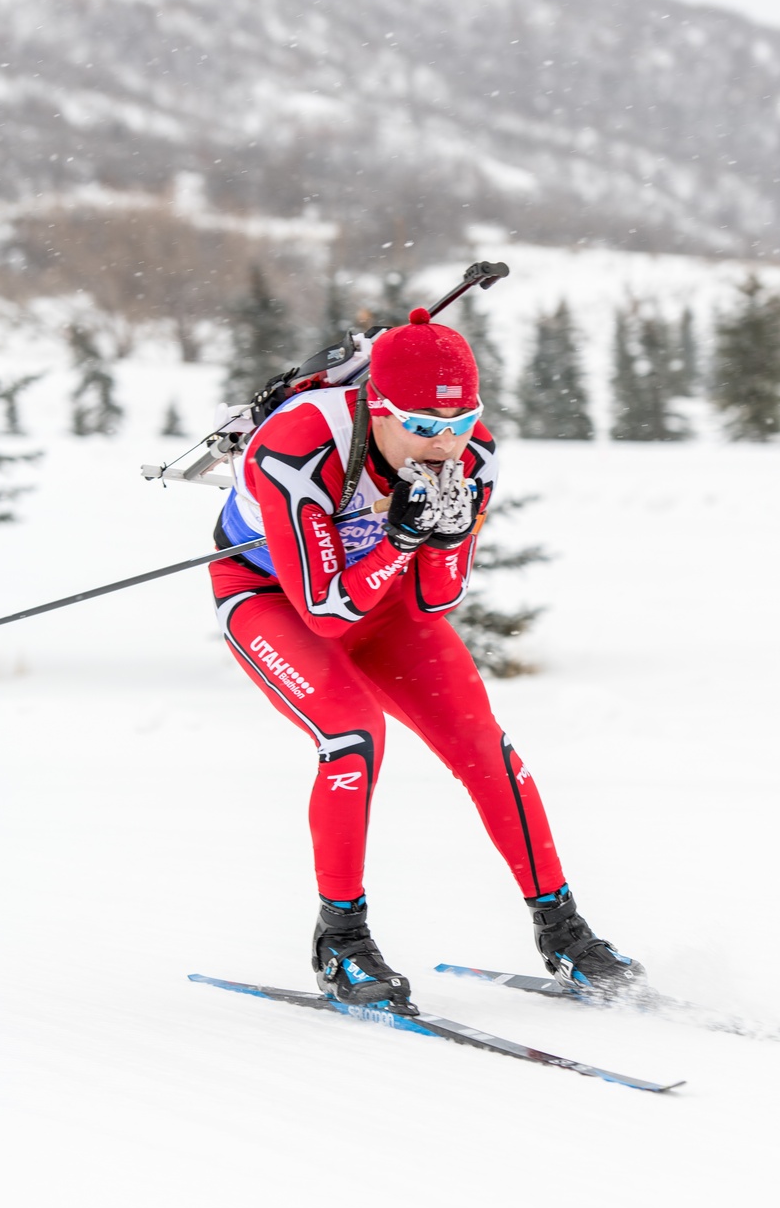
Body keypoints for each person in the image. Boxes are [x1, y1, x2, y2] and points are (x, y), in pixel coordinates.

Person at [209, 306, 642, 1012]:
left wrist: (435, 539)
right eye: (424, 427)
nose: (444, 446)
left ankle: (563, 929)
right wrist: (398, 540)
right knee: (352, 738)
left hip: (386, 606)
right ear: (376, 409)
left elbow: (439, 600)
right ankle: (341, 941)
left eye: (459, 423)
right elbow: (322, 611)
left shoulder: (474, 456)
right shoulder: (297, 448)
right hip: (273, 602)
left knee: (483, 744)